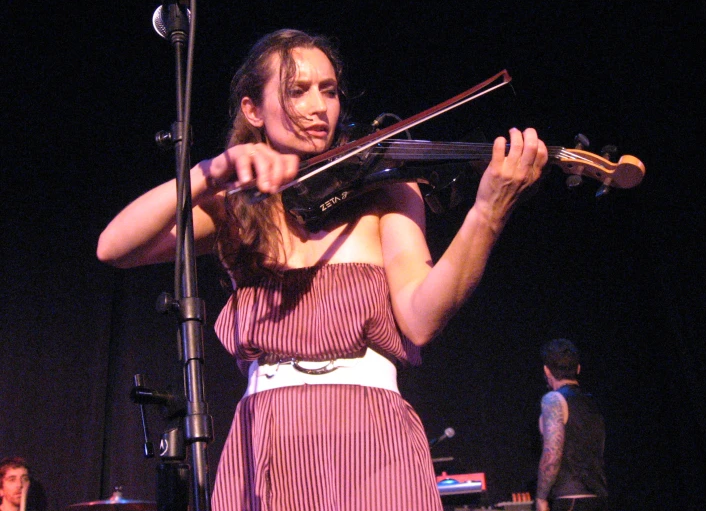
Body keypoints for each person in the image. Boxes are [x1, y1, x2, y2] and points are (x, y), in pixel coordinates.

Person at [97, 28, 548, 511]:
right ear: (253, 110)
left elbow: (421, 317)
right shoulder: (236, 208)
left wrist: (487, 215)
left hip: (372, 432)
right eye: (297, 90)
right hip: (268, 435)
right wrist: (211, 171)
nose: (319, 107)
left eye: (328, 90)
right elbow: (114, 247)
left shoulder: (386, 190)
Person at [536, 339, 608, 511]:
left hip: (570, 500)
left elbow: (552, 455)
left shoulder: (553, 400)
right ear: (578, 369)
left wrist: (541, 497)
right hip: (599, 499)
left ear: (546, 370)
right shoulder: (592, 403)